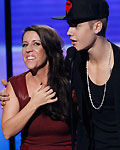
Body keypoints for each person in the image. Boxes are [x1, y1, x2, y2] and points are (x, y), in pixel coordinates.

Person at [52, 0, 120, 150]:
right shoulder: (74, 60)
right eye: (69, 25)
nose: (69, 31)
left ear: (97, 26)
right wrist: (14, 92)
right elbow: (50, 84)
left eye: (76, 25)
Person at [1, 25, 77, 150]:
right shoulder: (15, 84)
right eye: (24, 45)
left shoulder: (70, 80)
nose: (28, 50)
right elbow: (7, 132)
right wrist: (33, 104)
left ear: (49, 48)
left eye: (36, 44)